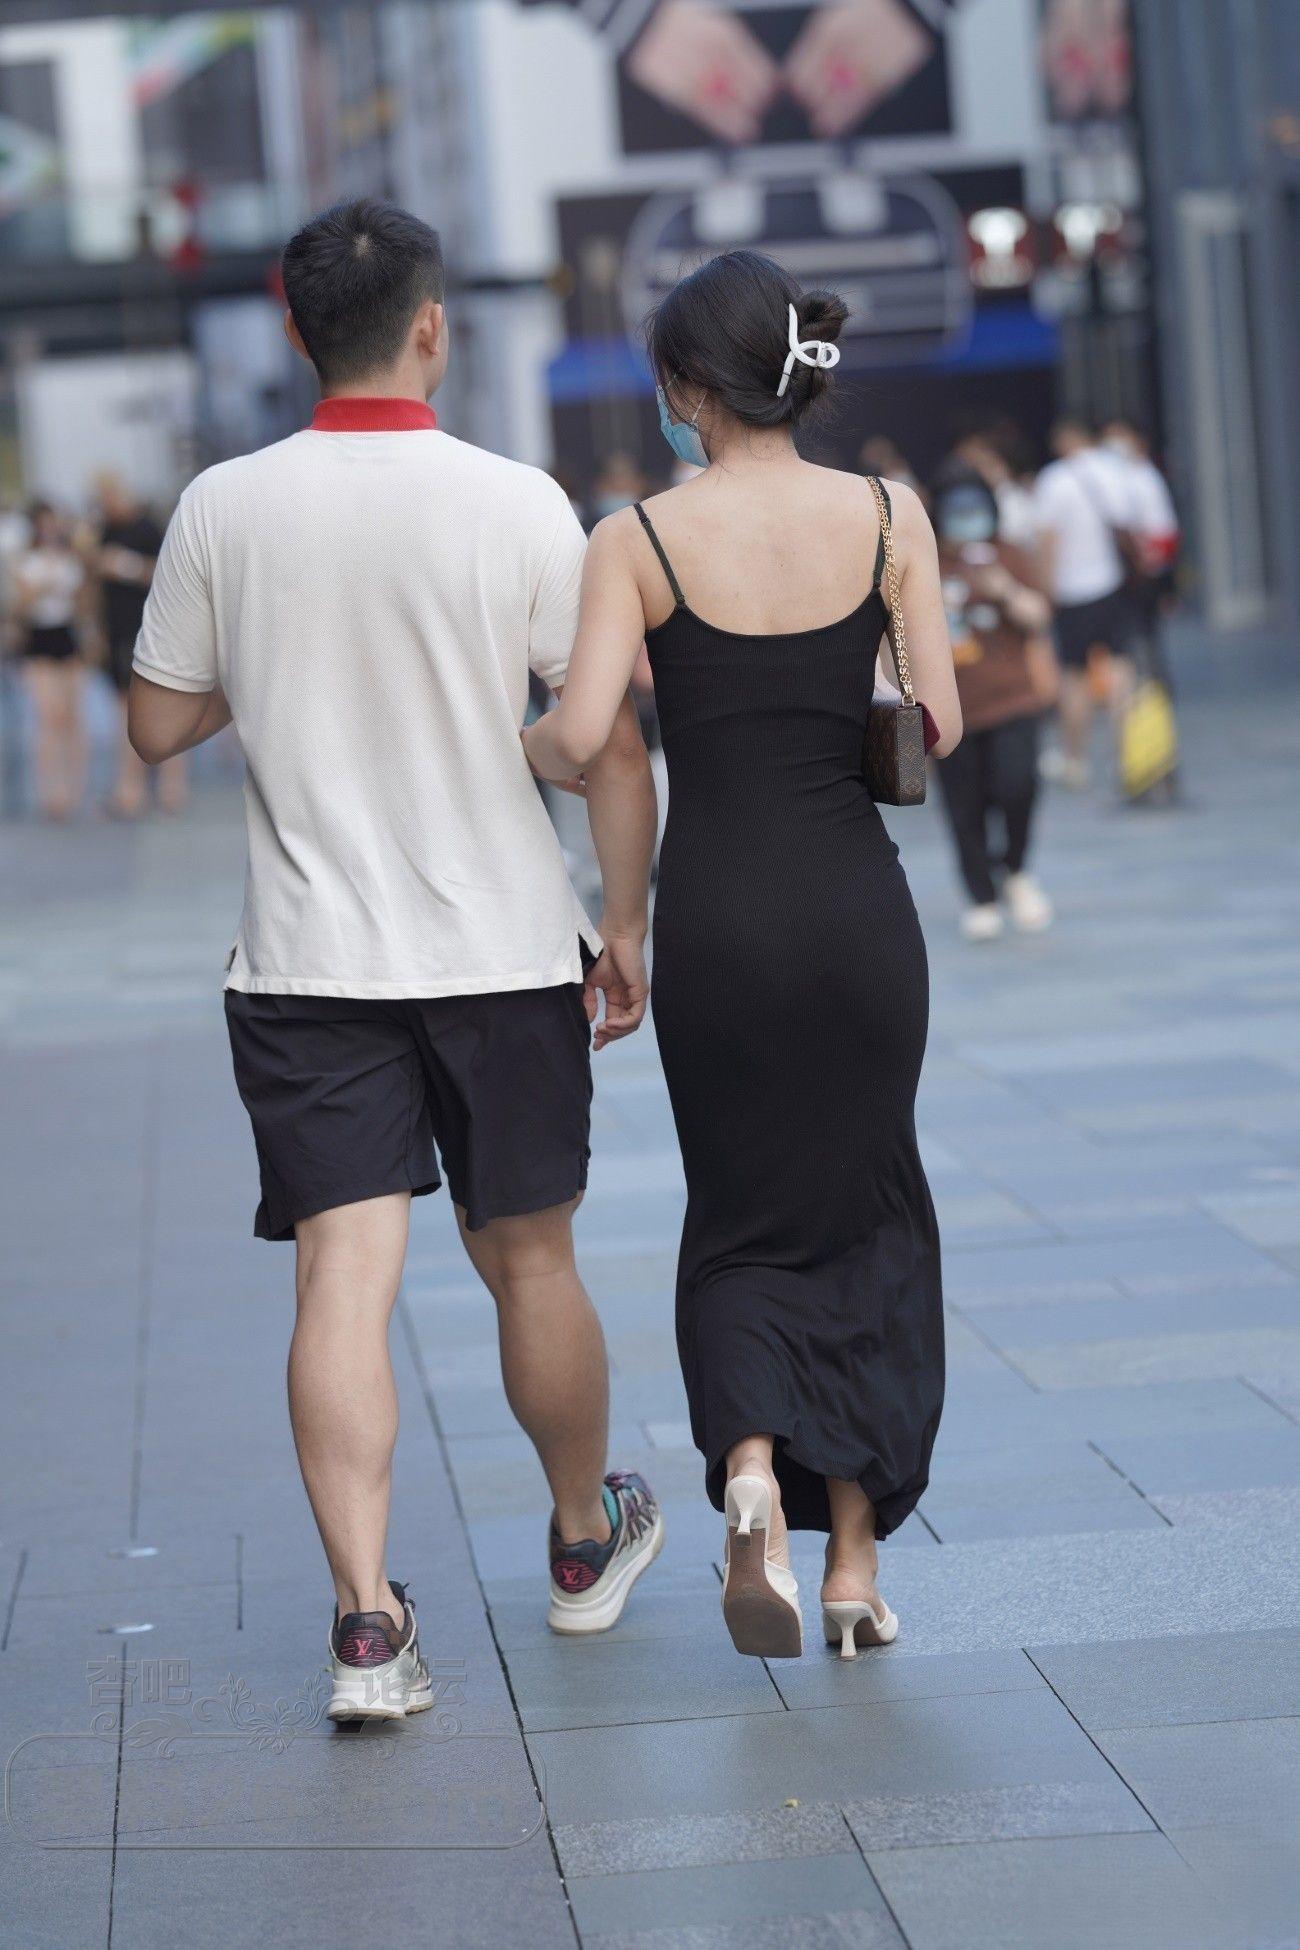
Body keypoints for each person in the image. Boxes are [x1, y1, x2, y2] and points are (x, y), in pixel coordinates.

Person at [127, 198, 663, 1721]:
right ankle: (581, 1544)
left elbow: (155, 724)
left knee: (341, 1280)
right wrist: (625, 922)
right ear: (433, 326)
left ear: (296, 333)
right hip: (500, 947)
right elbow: (606, 740)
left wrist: (271, 666)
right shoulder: (518, 502)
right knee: (531, 1259)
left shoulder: (223, 506)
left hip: (307, 961)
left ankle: (368, 1627)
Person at [525, 250, 960, 1661]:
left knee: (740, 1218)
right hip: (857, 918)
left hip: (719, 923)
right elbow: (939, 722)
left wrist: (507, 744)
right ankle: (851, 1567)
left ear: (685, 388)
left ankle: (754, 1469)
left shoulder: (635, 540)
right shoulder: (889, 514)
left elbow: (581, 739)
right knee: (870, 1210)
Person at [931, 464, 1057, 941]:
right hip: (953, 708)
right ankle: (981, 897)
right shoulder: (928, 560)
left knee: (1018, 784)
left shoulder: (1008, 554)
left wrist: (1004, 590)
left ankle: (1016, 868)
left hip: (1013, 699)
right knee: (964, 806)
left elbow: (1039, 615)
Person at [1032, 416, 1135, 789]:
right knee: (1119, 667)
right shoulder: (1114, 471)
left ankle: (1076, 760)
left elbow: (1047, 542)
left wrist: (1045, 590)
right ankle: (1127, 756)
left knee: (1074, 676)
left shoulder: (1054, 480)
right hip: (1110, 584)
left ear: (1066, 437)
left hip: (1071, 590)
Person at [90, 472, 188, 819]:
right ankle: (130, 789)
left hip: (152, 628)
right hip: (118, 632)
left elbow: (169, 572)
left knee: (165, 707)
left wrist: (125, 566)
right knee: (126, 714)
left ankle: (171, 787)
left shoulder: (148, 527)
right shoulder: (104, 530)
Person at [12, 501, 89, 821]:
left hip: (67, 636)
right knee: (48, 717)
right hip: (39, 637)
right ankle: (50, 791)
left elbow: (84, 603)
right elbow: (20, 606)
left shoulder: (71, 559)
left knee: (71, 717)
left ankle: (73, 789)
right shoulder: (27, 562)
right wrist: (42, 587)